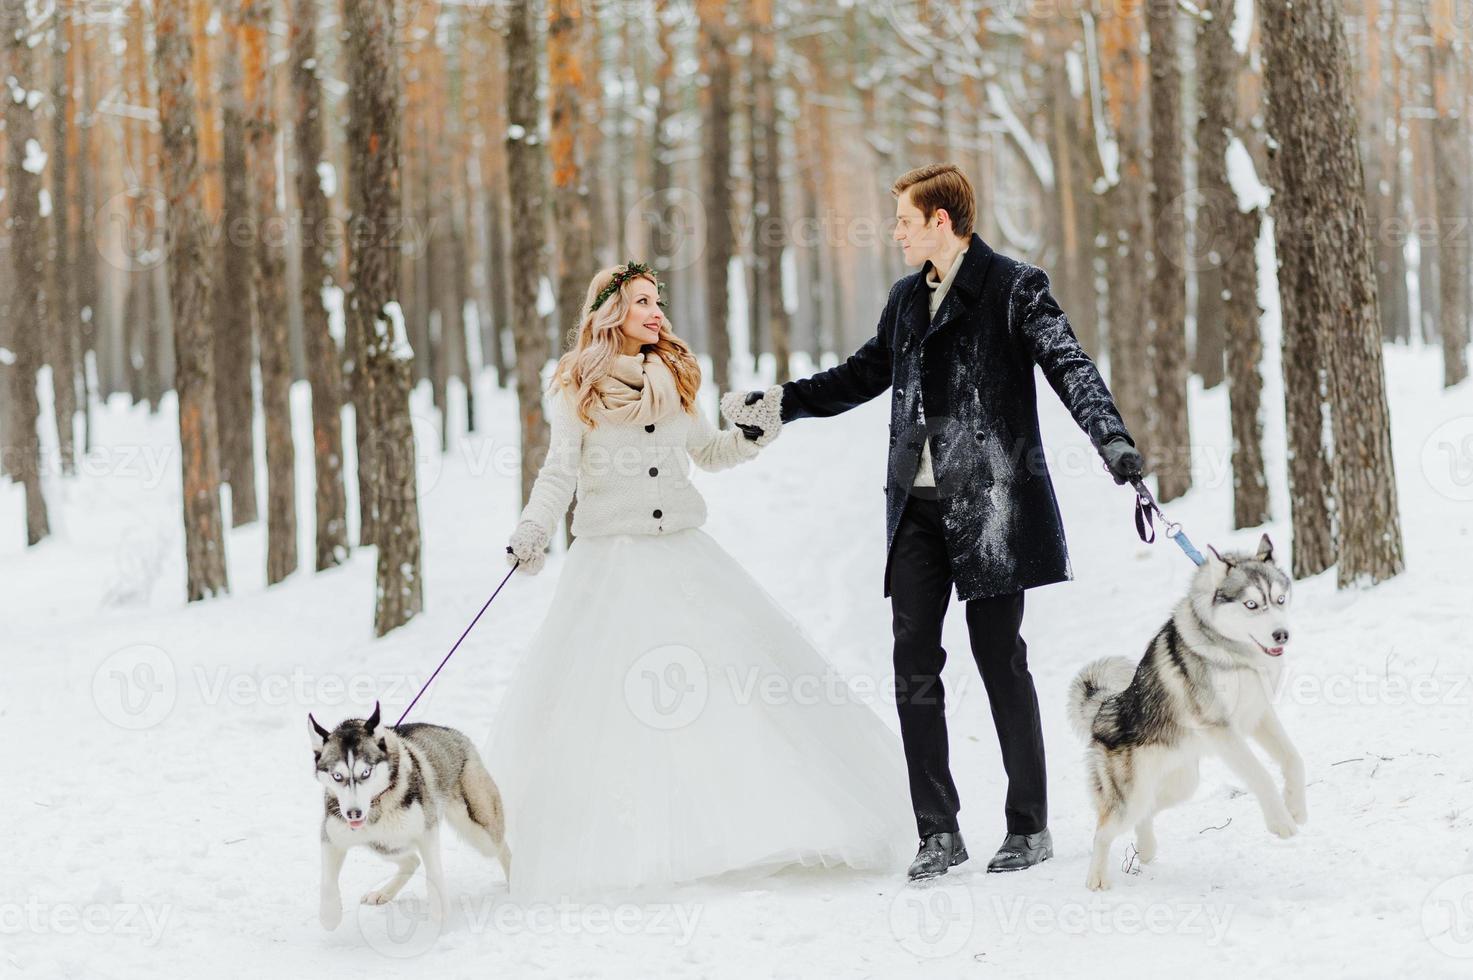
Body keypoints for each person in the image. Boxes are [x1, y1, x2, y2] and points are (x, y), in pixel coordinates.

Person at [723, 163, 1145, 881]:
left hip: (991, 507)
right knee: (912, 662)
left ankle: (1028, 825)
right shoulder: (904, 301)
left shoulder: (1015, 288)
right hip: (916, 511)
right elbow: (861, 375)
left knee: (997, 658)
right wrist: (778, 403)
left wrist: (1112, 442)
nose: (893, 232)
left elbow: (1069, 365)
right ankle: (937, 831)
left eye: (903, 221)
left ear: (940, 223)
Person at [490, 261, 914, 901]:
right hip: (612, 561)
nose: (656, 313)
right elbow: (559, 474)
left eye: (657, 301)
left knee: (724, 691)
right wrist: (532, 528)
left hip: (683, 555)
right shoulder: (576, 386)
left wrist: (753, 436)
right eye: (641, 303)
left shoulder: (675, 377)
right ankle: (620, 843)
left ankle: (733, 831)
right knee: (613, 706)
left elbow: (709, 454)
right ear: (611, 313)